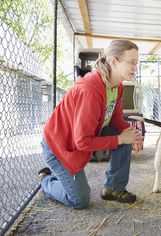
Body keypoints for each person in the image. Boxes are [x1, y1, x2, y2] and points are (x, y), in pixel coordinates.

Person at [37, 39, 143, 209]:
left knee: (125, 136)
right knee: (79, 200)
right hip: (59, 146)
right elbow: (83, 142)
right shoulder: (91, 89)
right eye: (131, 62)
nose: (134, 67)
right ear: (113, 61)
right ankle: (46, 180)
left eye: (136, 63)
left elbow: (115, 119)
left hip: (81, 137)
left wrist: (133, 135)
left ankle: (113, 189)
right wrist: (120, 139)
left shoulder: (118, 86)